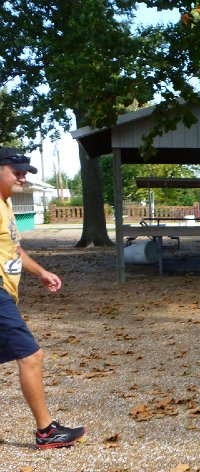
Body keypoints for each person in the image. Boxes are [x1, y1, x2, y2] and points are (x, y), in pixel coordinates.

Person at [0, 148, 85, 449]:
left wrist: (40, 272)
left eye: (25, 171)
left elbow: (15, 250)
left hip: (6, 290)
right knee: (31, 356)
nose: (22, 176)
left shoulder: (6, 204)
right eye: (16, 170)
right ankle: (46, 431)